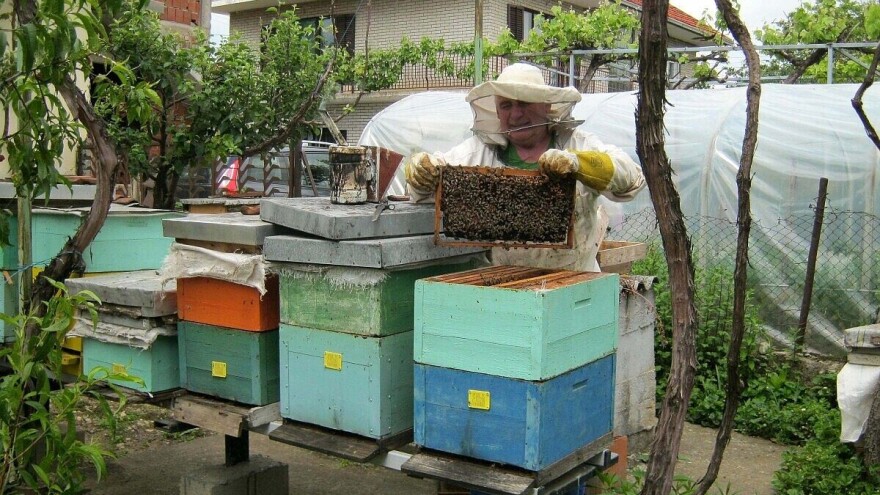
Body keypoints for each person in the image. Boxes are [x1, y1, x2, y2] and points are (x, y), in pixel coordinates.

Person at [404, 62, 646, 272]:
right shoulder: (478, 153)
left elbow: (630, 178)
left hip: (574, 281)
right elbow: (424, 190)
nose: (516, 114)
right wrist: (421, 172)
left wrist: (579, 164)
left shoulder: (577, 144)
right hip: (503, 287)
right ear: (497, 111)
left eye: (524, 103)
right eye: (506, 105)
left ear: (547, 106)